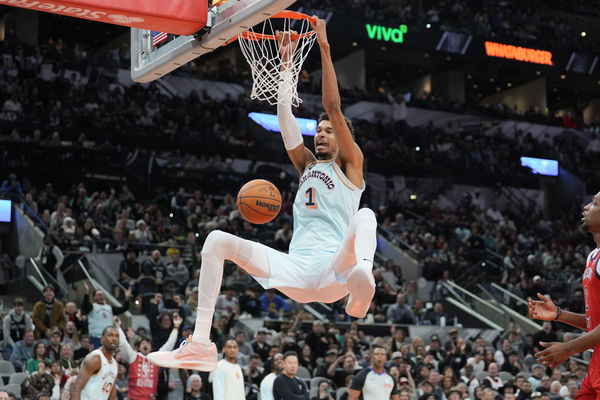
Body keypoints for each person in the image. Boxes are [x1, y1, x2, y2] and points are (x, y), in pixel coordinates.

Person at [148, 16, 377, 372]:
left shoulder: (351, 165)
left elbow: (334, 107)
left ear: (344, 136)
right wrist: (286, 66)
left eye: (329, 131)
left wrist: (325, 48)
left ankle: (363, 282)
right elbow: (285, 118)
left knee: (366, 216)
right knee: (215, 241)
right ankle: (201, 344)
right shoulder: (307, 166)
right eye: (318, 130)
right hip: (297, 269)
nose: (321, 134)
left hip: (337, 270)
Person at [529, 192, 600, 397]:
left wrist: (569, 348)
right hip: (596, 366)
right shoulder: (592, 257)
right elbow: (595, 323)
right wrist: (559, 314)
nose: (586, 207)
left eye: (594, 203)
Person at [114, 315, 182, 400]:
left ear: (151, 348)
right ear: (139, 348)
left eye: (148, 343)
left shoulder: (155, 358)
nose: (145, 344)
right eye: (143, 343)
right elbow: (123, 343)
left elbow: (169, 345)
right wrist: (118, 327)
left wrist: (176, 327)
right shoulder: (133, 356)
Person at [71, 325, 120, 400]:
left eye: (117, 336)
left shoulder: (115, 365)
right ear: (102, 340)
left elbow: (112, 396)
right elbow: (76, 388)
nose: (114, 339)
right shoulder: (95, 359)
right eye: (110, 335)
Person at [81, 281, 131, 348]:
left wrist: (127, 298)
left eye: (102, 295)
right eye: (98, 295)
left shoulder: (109, 307)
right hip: (96, 337)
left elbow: (123, 309)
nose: (101, 296)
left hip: (109, 337)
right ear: (94, 297)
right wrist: (87, 293)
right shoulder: (92, 306)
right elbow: (85, 306)